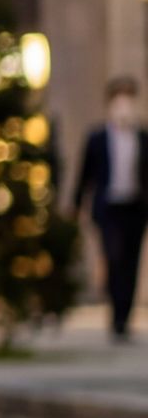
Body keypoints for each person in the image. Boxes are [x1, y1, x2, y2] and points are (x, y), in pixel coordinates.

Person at [75, 77, 148, 340]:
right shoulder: (97, 137)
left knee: (131, 263)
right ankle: (116, 315)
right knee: (114, 260)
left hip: (135, 208)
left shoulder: (141, 137)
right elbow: (85, 174)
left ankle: (124, 319)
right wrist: (76, 204)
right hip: (108, 209)